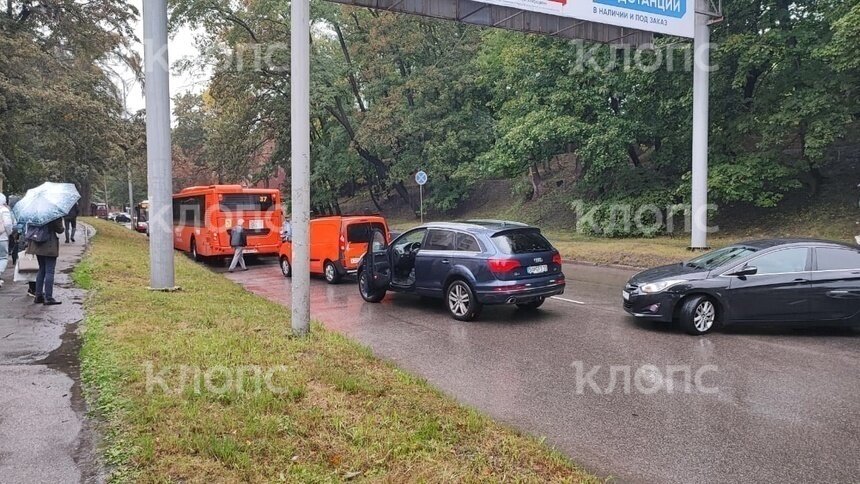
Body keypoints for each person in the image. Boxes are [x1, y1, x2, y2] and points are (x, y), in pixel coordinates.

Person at [27, 217, 64, 305]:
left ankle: (38, 295)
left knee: (41, 269)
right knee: (49, 271)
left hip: (37, 244)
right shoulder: (54, 214)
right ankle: (48, 297)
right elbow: (59, 230)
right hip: (49, 245)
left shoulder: (35, 214)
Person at [0, 193, 13, 288]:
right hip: (2, 238)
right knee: (3, 258)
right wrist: (9, 233)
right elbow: (8, 224)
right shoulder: (4, 210)